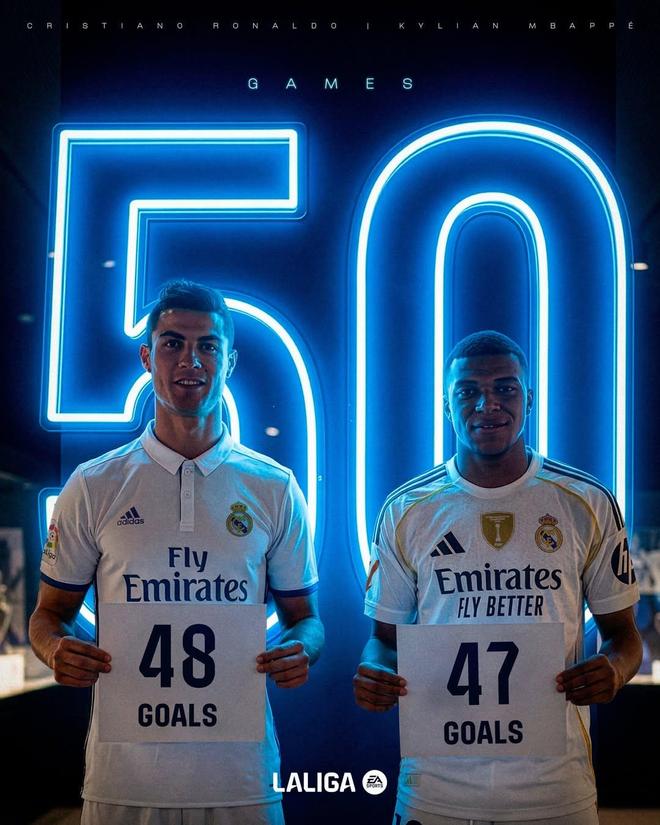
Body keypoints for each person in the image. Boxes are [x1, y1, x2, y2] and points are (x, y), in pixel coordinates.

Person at [30, 280, 324, 825]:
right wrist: (55, 651)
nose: (190, 360)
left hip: (242, 781)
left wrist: (301, 649)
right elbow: (48, 616)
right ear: (147, 358)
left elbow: (306, 620)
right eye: (172, 343)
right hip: (123, 782)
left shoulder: (275, 487)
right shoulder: (93, 485)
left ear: (229, 361)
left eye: (208, 345)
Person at [354, 330, 641, 825]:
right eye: (468, 391)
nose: (487, 404)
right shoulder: (407, 509)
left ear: (529, 399)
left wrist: (614, 671)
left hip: (555, 789)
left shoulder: (586, 503)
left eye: (505, 388)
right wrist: (374, 672)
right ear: (447, 406)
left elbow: (626, 637)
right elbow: (384, 640)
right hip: (435, 787)